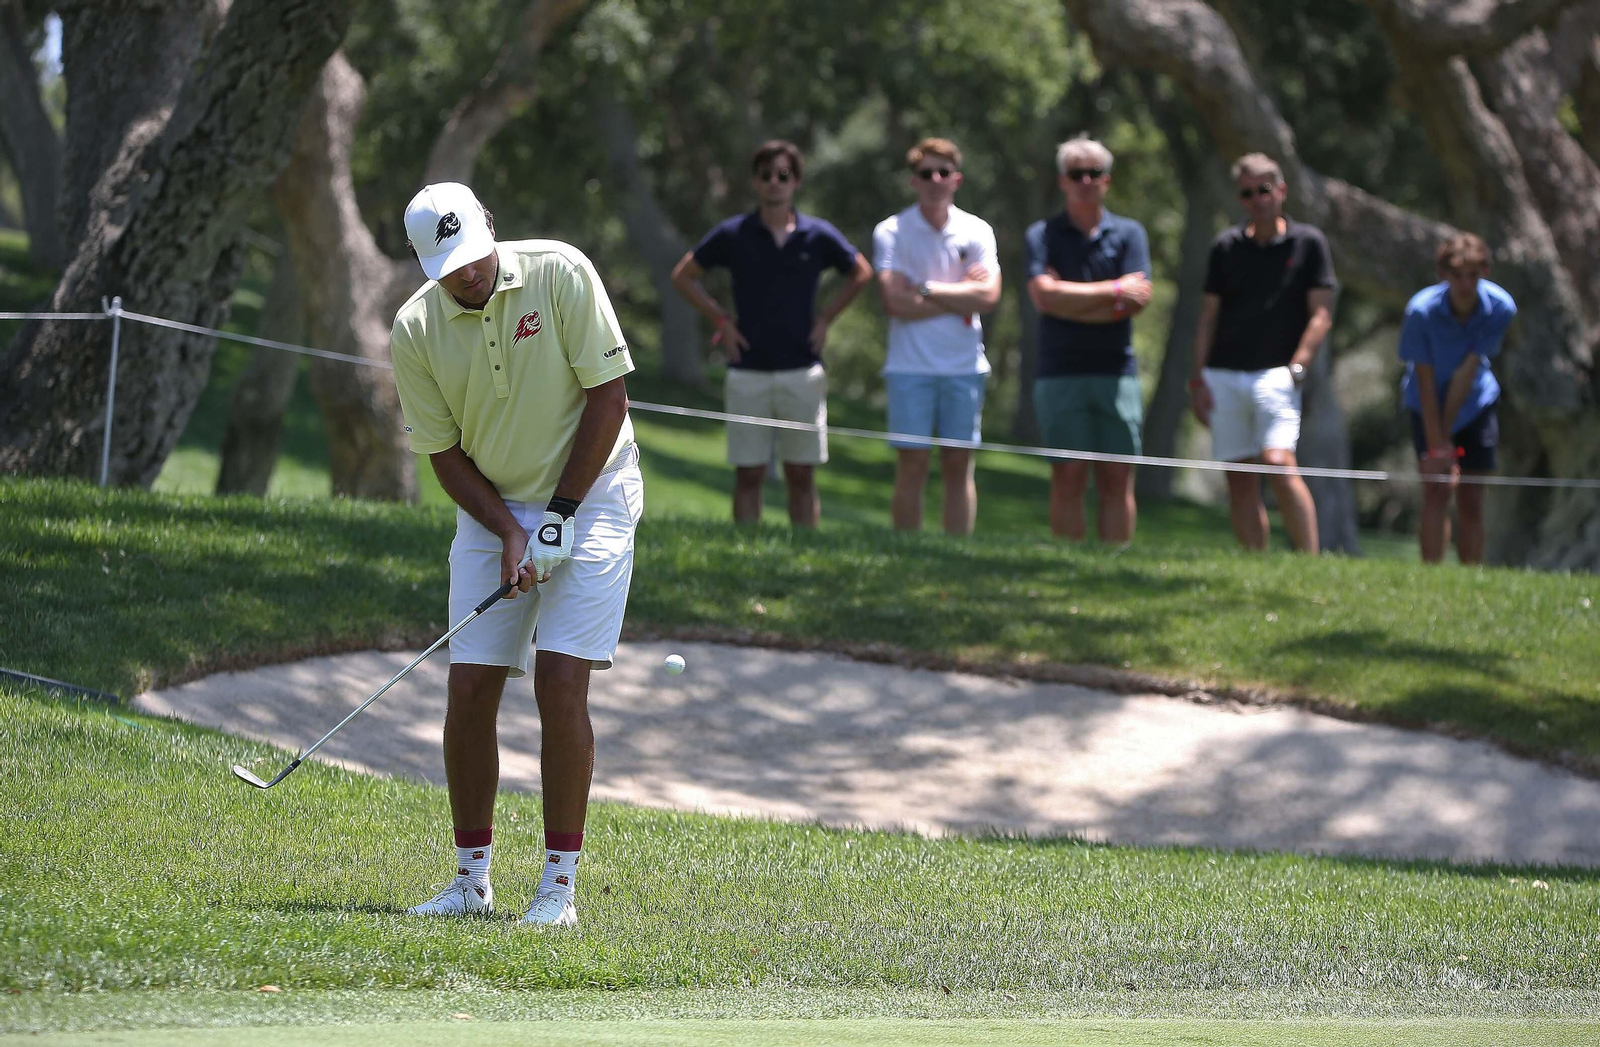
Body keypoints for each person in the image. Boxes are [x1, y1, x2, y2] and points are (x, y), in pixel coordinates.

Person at [388, 182, 643, 929]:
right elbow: (442, 453)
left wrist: (560, 516)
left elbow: (609, 397)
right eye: (448, 266)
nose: (466, 275)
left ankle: (557, 890)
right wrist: (508, 530)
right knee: (469, 689)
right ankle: (470, 882)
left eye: (472, 255)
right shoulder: (415, 330)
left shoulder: (560, 272)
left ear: (490, 228)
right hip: (495, 507)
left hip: (591, 493)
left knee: (560, 681)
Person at [671, 140, 873, 527]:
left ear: (796, 181)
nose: (774, 183)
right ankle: (747, 552)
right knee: (749, 473)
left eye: (783, 175)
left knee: (801, 474)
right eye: (766, 176)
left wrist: (826, 318)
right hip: (747, 369)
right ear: (756, 182)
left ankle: (804, 554)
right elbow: (683, 276)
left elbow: (861, 272)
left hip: (802, 370)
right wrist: (721, 320)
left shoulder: (818, 235)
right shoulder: (734, 234)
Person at [1190, 153, 1335, 554]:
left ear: (1282, 191)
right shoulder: (1225, 246)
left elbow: (1321, 313)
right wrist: (1198, 378)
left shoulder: (1309, 243)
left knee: (1278, 462)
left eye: (1264, 190)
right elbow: (1208, 317)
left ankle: (1309, 561)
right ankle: (1256, 563)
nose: (1257, 199)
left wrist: (1299, 366)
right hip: (1224, 373)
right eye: (1248, 193)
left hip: (1278, 374)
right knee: (1239, 476)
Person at [1025, 135, 1153, 543]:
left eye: (1093, 173)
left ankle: (1115, 567)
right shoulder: (1041, 234)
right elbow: (1043, 297)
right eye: (1076, 173)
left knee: (1117, 477)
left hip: (1117, 372)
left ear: (1107, 180)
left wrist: (1068, 299)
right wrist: (1113, 291)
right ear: (1062, 181)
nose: (1085, 181)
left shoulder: (1130, 234)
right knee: (1068, 475)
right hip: (1059, 372)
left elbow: (1136, 302)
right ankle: (1069, 564)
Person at [872, 137, 1002, 535]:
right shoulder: (891, 231)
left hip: (964, 367)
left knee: (958, 464)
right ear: (914, 181)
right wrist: (962, 294)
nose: (935, 180)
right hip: (909, 367)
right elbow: (894, 302)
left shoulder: (977, 230)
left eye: (943, 173)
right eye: (926, 173)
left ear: (956, 180)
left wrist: (925, 289)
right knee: (912, 463)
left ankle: (956, 554)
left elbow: (990, 296)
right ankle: (907, 551)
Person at [1398, 233, 1515, 565]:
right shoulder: (1420, 312)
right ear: (1443, 274)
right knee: (1436, 492)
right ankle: (1432, 578)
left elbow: (1467, 373)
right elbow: (1423, 377)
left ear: (1485, 271)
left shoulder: (1500, 308)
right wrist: (1438, 443)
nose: (1465, 284)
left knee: (1472, 498)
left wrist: (1447, 436)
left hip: (1476, 404)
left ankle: (1469, 579)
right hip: (1427, 405)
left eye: (1473, 275)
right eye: (1457, 276)